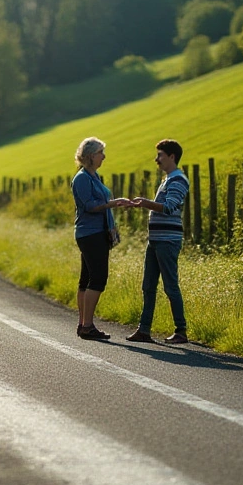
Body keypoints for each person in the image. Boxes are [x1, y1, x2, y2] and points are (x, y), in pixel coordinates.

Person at [126, 139, 190, 344]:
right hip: (155, 241)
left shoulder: (178, 180)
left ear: (172, 157)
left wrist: (146, 204)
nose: (157, 159)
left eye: (160, 155)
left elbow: (170, 206)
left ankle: (181, 331)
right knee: (148, 286)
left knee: (170, 286)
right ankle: (144, 330)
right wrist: (146, 204)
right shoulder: (167, 179)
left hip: (167, 241)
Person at [71, 137, 130, 340]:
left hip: (94, 232)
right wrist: (113, 204)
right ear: (90, 156)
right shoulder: (82, 179)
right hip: (91, 233)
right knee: (98, 278)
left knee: (86, 279)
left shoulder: (94, 176)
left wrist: (113, 205)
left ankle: (83, 324)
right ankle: (87, 325)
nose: (103, 156)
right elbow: (89, 206)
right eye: (100, 153)